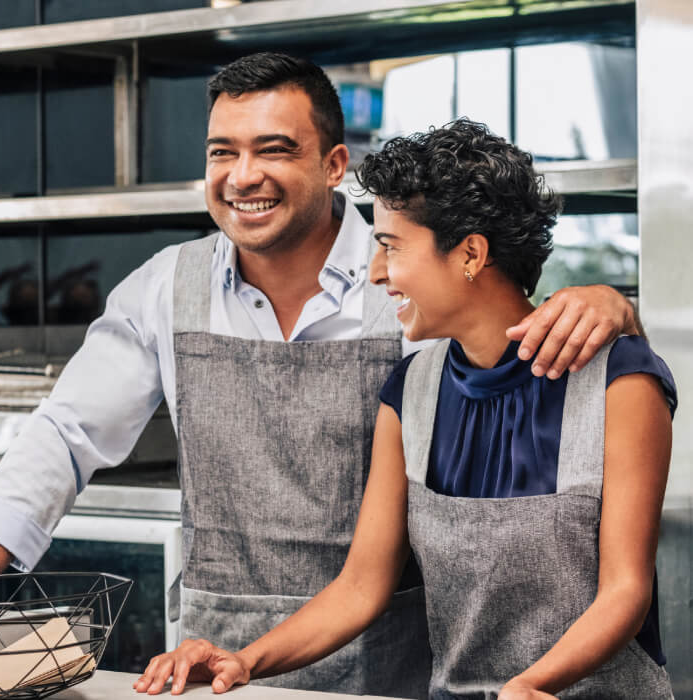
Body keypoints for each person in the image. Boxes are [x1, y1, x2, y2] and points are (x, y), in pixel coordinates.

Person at [0, 55, 640, 697]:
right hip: (220, 662)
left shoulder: (409, 286)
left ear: (334, 165)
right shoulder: (164, 288)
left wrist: (616, 306)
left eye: (273, 150)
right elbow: (67, 432)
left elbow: (507, 333)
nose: (242, 176)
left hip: (388, 661)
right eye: (221, 152)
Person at [133, 119, 676, 699]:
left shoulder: (619, 381)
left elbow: (625, 590)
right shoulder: (411, 388)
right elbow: (361, 587)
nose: (375, 273)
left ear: (471, 254)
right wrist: (243, 660)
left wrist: (530, 686)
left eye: (391, 246)